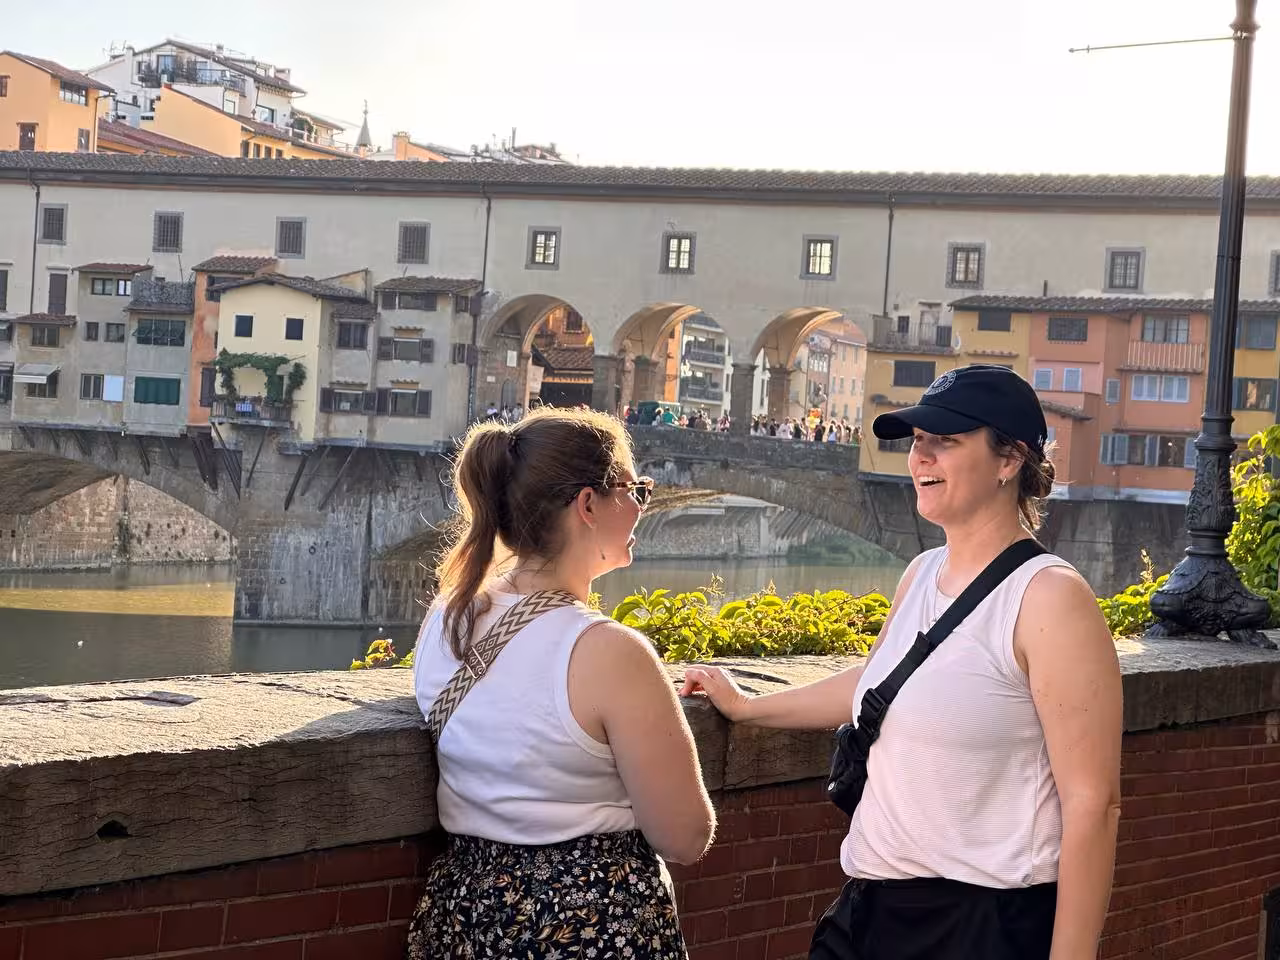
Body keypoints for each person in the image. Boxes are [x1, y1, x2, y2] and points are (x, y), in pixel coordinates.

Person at [682, 364, 1122, 960]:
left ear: (1010, 459)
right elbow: (881, 685)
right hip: (870, 906)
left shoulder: (1048, 597)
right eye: (917, 442)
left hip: (980, 924)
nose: (920, 459)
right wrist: (746, 707)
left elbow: (1093, 803)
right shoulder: (920, 574)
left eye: (945, 442)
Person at [409, 408, 715, 959]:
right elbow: (684, 836)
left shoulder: (446, 619)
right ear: (589, 504)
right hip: (588, 922)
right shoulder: (608, 653)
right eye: (634, 489)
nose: (641, 506)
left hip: (468, 916)